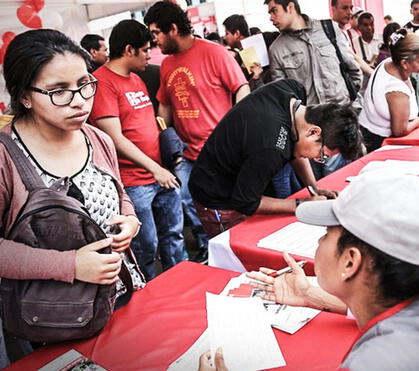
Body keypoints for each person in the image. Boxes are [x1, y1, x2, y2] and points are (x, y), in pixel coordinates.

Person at [205, 172, 419, 370]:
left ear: (351, 262)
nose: (318, 240)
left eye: (328, 233)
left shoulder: (379, 361)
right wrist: (315, 296)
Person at [1, 29, 144, 356]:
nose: (79, 100)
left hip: (122, 296)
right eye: (58, 91)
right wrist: (70, 265)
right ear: (24, 95)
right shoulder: (6, 156)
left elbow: (119, 196)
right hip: (53, 319)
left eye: (84, 84)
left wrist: (130, 220)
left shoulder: (98, 139)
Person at [144, 1, 250, 262]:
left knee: (229, 205)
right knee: (188, 201)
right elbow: (165, 106)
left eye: (156, 33)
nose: (154, 40)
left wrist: (236, 132)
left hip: (220, 151)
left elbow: (242, 89)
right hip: (187, 154)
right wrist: (162, 137)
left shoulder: (213, 52)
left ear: (172, 29)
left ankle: (241, 249)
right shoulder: (167, 64)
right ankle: (208, 246)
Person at [189, 79, 362, 234]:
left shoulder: (293, 90)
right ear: (313, 132)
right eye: (321, 154)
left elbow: (296, 146)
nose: (317, 159)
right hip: (217, 196)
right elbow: (246, 202)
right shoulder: (271, 148)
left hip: (244, 176)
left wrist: (314, 187)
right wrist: (300, 204)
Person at [89, 20, 185, 280]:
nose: (149, 55)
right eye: (144, 50)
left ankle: (182, 284)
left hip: (161, 173)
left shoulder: (137, 79)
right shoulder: (103, 83)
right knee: (145, 248)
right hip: (134, 183)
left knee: (173, 237)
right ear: (129, 50)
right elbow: (115, 138)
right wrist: (156, 169)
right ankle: (150, 295)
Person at [266, 0, 361, 106]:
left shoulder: (329, 29)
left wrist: (349, 102)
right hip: (310, 119)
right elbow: (283, 94)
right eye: (270, 13)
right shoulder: (276, 49)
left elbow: (353, 69)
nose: (271, 18)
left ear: (290, 7)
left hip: (343, 112)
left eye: (274, 11)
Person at [359, 30, 419, 152]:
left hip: (368, 130)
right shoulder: (397, 90)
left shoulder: (387, 62)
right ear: (404, 63)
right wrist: (416, 121)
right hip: (380, 142)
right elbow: (399, 130)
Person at [222, 14, 266, 91]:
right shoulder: (241, 54)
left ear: (237, 33)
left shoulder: (249, 52)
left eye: (227, 33)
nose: (225, 37)